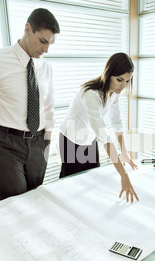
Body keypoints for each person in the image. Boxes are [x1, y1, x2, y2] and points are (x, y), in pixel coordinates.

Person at [0, 8, 60, 201]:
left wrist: (47, 138)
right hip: (7, 144)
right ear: (27, 29)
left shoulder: (46, 67)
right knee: (14, 207)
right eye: (43, 41)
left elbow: (49, 106)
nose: (46, 50)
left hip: (39, 143)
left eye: (50, 44)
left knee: (36, 200)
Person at [59, 52, 139, 203]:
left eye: (127, 81)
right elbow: (103, 135)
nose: (123, 86)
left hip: (89, 137)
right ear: (108, 74)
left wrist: (125, 152)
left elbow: (116, 123)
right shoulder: (91, 93)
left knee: (93, 178)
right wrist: (124, 175)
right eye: (119, 79)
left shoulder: (115, 93)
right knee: (70, 183)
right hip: (70, 138)